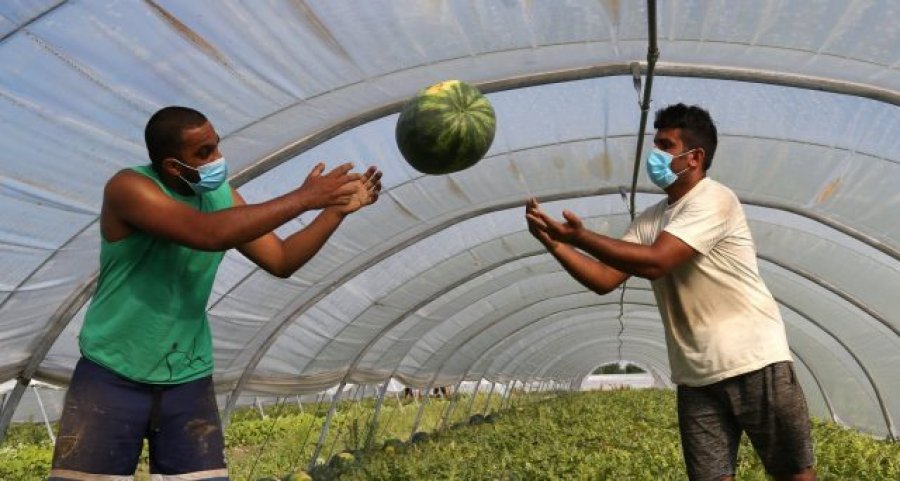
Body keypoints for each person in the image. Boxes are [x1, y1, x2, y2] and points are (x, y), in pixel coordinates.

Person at [49, 106, 381, 480]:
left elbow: (282, 259)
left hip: (188, 378)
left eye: (216, 147)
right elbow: (207, 234)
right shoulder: (129, 189)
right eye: (204, 153)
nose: (217, 160)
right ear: (174, 166)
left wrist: (334, 212)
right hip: (112, 373)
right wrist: (304, 198)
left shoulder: (222, 197)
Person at [525, 104, 815, 481]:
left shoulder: (715, 199)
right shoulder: (650, 218)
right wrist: (555, 244)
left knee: (792, 473)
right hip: (695, 376)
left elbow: (656, 262)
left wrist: (580, 236)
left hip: (753, 362)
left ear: (694, 157)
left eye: (665, 145)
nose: (655, 155)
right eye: (655, 144)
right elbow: (604, 278)